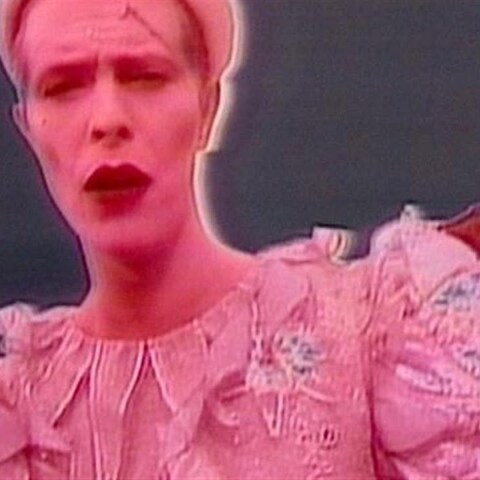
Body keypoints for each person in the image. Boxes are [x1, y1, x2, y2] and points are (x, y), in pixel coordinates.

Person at [0, 0, 478, 478]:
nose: (107, 119)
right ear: (28, 130)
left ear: (207, 107)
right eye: (62, 87)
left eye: (145, 76)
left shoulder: (360, 332)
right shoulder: (18, 396)